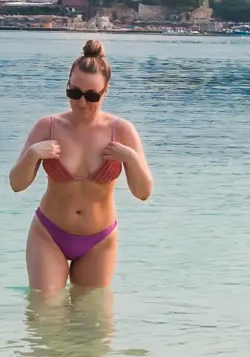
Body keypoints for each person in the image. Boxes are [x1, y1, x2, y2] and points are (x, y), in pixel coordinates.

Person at [9, 38, 153, 288]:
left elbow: (143, 193)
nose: (81, 102)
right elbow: (16, 185)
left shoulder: (122, 131)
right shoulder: (48, 126)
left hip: (100, 240)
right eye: (73, 93)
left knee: (93, 321)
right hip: (48, 234)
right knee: (45, 315)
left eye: (91, 95)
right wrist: (32, 154)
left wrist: (130, 158)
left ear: (105, 91)